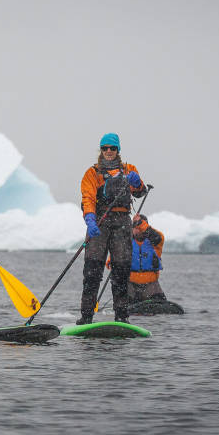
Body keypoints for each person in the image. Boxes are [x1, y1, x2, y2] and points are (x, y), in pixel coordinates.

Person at [78, 133, 146, 324]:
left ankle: (122, 317)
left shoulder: (129, 170)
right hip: (99, 223)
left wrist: (136, 182)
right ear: (101, 150)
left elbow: (140, 192)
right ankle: (86, 317)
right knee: (92, 271)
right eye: (105, 148)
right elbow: (88, 198)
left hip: (122, 223)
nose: (109, 151)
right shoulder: (92, 173)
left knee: (121, 271)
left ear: (118, 150)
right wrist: (90, 219)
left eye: (112, 148)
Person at [128, 214, 167, 303]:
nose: (137, 230)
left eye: (140, 227)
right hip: (130, 285)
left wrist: (141, 224)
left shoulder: (155, 240)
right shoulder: (126, 241)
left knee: (158, 306)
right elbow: (114, 259)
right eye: (135, 227)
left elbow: (158, 238)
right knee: (124, 304)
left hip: (151, 285)